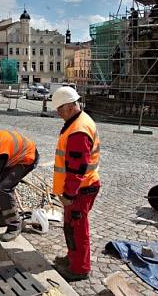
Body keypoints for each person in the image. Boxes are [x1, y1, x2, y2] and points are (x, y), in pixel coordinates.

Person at [49, 86, 100, 282]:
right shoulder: (77, 122)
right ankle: (72, 258)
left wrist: (69, 195)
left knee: (78, 230)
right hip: (82, 187)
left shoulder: (78, 130)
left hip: (81, 189)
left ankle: (79, 268)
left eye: (60, 110)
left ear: (70, 106)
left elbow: (77, 169)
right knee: (71, 227)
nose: (58, 114)